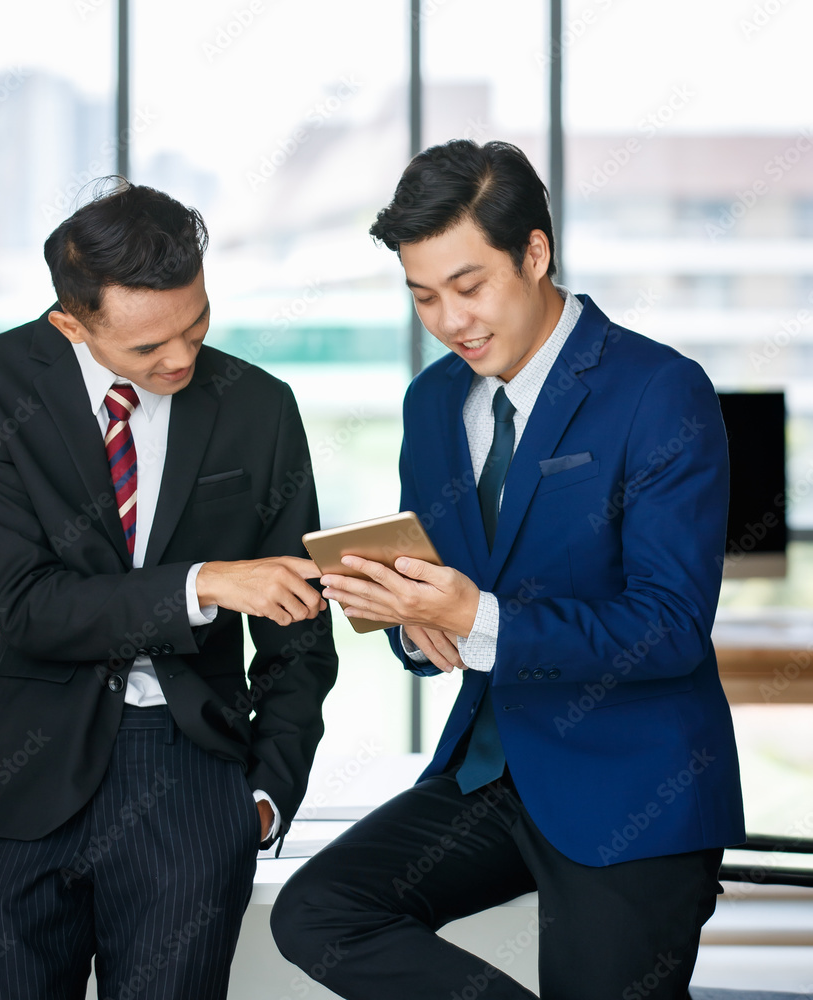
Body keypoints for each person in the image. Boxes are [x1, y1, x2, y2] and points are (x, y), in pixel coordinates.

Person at [271, 140, 745, 999]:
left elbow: (669, 627)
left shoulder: (658, 389)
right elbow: (437, 585)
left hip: (632, 785)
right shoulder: (432, 402)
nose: (450, 320)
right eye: (423, 296)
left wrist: (475, 619)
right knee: (319, 913)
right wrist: (412, 622)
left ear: (533, 253)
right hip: (490, 771)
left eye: (469, 286)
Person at [0, 181, 338, 1000]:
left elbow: (299, 631)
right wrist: (204, 583)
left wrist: (267, 792)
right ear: (71, 323)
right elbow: (27, 606)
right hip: (24, 770)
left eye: (196, 324)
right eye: (148, 347)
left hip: (191, 774)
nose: (180, 360)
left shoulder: (259, 406)